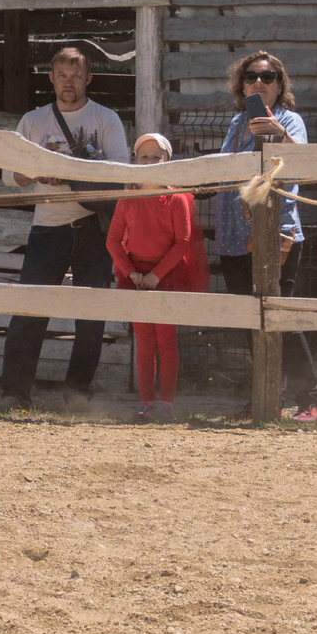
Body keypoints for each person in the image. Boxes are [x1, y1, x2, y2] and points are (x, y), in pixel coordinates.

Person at [0, 45, 131, 410]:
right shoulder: (33, 121)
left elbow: (121, 170)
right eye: (62, 75)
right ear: (51, 79)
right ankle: (15, 394)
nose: (68, 82)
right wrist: (37, 173)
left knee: (90, 316)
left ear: (88, 78)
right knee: (29, 310)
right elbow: (9, 175)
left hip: (94, 228)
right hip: (48, 227)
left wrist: (71, 171)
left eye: (75, 76)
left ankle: (77, 394)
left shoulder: (106, 119)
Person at [209, 52, 317, 423]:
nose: (259, 82)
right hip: (234, 234)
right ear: (241, 86)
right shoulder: (237, 123)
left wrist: (278, 133)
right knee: (250, 319)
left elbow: (301, 166)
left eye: (268, 76)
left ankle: (310, 400)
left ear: (279, 84)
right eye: (251, 76)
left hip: (277, 233)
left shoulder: (290, 120)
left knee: (280, 317)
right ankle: (265, 397)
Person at [107, 132, 206, 421]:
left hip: (167, 275)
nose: (149, 162)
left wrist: (156, 275)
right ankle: (145, 400)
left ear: (167, 161)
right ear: (135, 161)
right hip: (137, 275)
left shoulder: (176, 198)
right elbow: (113, 241)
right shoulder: (128, 198)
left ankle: (166, 402)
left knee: (165, 340)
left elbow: (183, 242)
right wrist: (132, 273)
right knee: (144, 342)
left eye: (156, 157)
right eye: (143, 157)